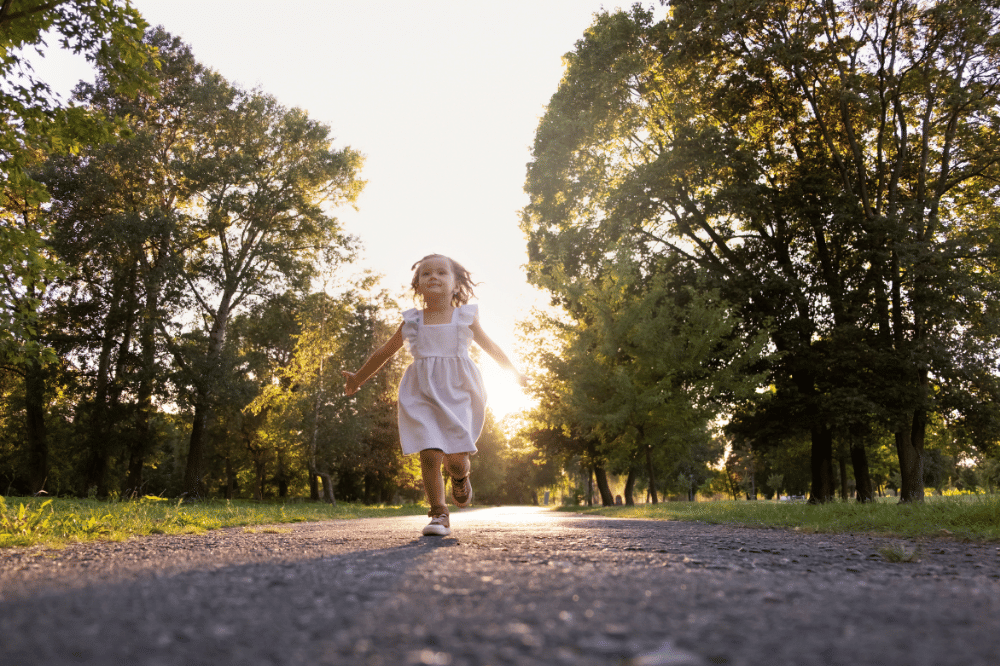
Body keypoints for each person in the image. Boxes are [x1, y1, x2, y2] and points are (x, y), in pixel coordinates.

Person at [342, 254, 529, 536]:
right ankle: (439, 513)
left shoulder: (465, 317)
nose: (433, 277)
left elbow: (492, 347)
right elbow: (384, 352)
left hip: (459, 391)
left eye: (442, 272)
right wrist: (358, 378)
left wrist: (514, 373)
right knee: (429, 453)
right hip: (421, 392)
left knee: (455, 458)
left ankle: (460, 476)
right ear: (417, 285)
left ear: (455, 284)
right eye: (426, 273)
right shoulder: (412, 321)